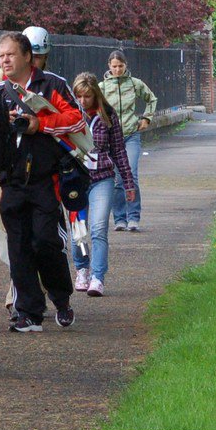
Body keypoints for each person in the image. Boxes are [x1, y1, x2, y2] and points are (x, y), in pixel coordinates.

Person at [0, 30, 84, 333]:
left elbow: (76, 119)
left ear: (28, 57)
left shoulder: (52, 85)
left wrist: (39, 124)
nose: (5, 60)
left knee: (45, 241)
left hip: (46, 180)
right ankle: (28, 312)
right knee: (18, 248)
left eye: (11, 54)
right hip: (11, 181)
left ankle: (62, 299)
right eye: (1, 55)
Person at [69, 73, 136, 296]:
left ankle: (98, 277)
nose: (83, 100)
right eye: (79, 96)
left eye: (87, 96)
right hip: (76, 179)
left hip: (102, 178)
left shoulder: (107, 115)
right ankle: (81, 269)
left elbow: (118, 151)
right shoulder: (69, 114)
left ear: (95, 94)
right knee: (79, 230)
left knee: (98, 228)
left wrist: (128, 183)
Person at [102, 49, 156, 233]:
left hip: (131, 134)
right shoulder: (102, 87)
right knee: (117, 178)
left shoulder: (134, 84)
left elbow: (151, 99)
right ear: (109, 66)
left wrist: (146, 118)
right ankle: (119, 219)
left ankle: (134, 217)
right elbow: (93, 108)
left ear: (126, 66)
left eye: (121, 66)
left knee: (131, 174)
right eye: (114, 66)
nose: (118, 70)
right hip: (112, 138)